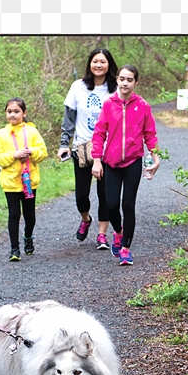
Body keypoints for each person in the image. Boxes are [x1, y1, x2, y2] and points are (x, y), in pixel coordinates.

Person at [91, 64, 161, 266]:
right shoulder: (108, 104)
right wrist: (97, 160)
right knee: (111, 204)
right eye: (122, 79)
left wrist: (155, 157)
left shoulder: (143, 106)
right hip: (110, 163)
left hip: (132, 162)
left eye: (130, 80)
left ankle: (126, 249)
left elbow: (150, 134)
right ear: (117, 80)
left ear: (136, 82)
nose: (125, 83)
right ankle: (118, 233)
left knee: (128, 205)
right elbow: (99, 134)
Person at [57, 48, 118, 249]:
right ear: (89, 64)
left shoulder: (116, 88)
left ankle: (102, 235)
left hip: (109, 149)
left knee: (105, 194)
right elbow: (69, 118)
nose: (98, 65)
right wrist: (64, 144)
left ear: (109, 64)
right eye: (95, 61)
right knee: (81, 195)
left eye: (102, 61)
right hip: (82, 147)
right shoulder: (78, 87)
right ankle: (85, 219)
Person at [0, 98, 48, 261]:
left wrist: (31, 152)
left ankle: (28, 237)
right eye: (9, 112)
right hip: (10, 181)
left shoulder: (32, 132)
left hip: (29, 180)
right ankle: (14, 249)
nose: (12, 115)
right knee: (14, 214)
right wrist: (13, 155)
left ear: (24, 113)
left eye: (16, 112)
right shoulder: (1, 134)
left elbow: (43, 152)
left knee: (30, 216)